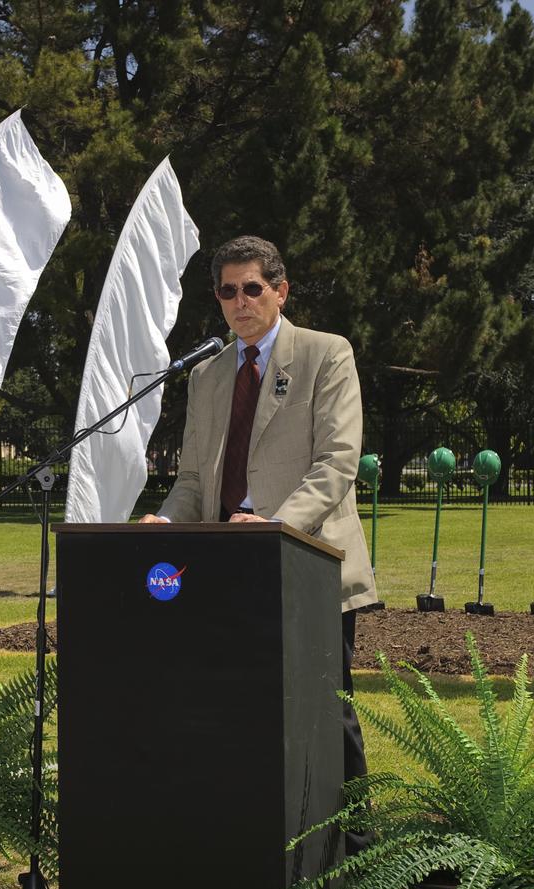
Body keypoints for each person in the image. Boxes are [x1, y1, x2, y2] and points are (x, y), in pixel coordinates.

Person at [140, 235, 378, 852]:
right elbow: (193, 482)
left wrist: (275, 525)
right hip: (227, 572)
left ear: (280, 290)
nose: (240, 302)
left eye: (253, 288)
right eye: (227, 291)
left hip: (308, 563)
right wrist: (166, 523)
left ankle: (352, 851)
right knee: (235, 713)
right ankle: (247, 843)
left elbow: (336, 464)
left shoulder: (327, 355)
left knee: (327, 719)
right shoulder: (207, 375)